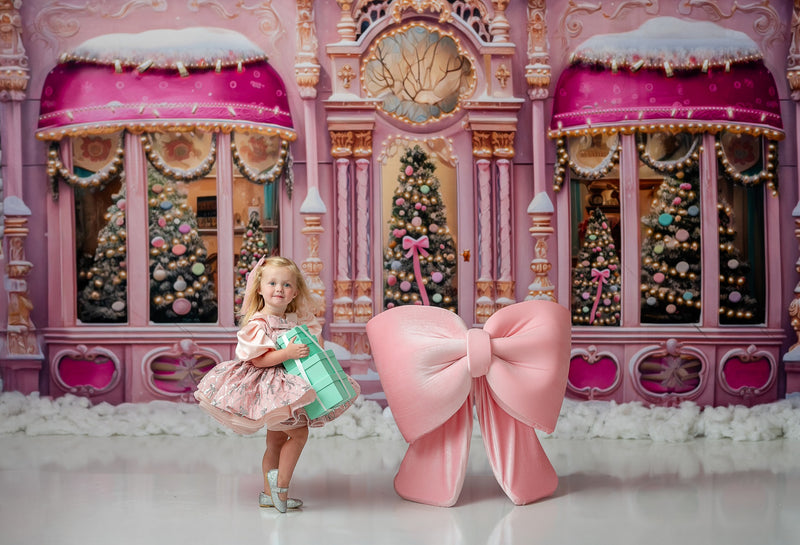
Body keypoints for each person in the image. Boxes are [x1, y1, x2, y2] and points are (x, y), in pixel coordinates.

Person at [194, 256, 360, 512]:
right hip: (270, 386)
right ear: (259, 288)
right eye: (272, 283)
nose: (279, 289)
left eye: (286, 285)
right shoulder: (258, 323)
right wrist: (288, 353)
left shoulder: (292, 321)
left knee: (275, 442)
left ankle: (269, 495)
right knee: (300, 433)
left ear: (294, 293)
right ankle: (280, 487)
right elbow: (260, 361)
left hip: (287, 385)